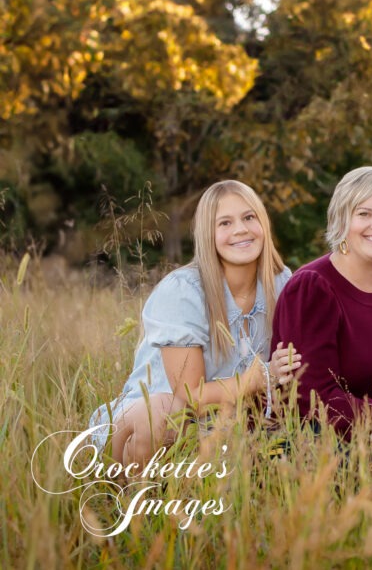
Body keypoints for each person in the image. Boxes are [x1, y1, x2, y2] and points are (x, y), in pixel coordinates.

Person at [89, 180, 293, 466]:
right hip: (151, 422)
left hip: (225, 423)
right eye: (224, 223)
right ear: (207, 234)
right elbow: (191, 397)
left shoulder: (283, 283)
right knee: (164, 410)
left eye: (249, 217)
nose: (240, 229)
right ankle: (131, 500)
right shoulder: (183, 292)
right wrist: (259, 378)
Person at [271, 167, 372, 462]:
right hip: (313, 438)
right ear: (342, 220)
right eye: (364, 214)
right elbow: (311, 394)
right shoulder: (313, 287)